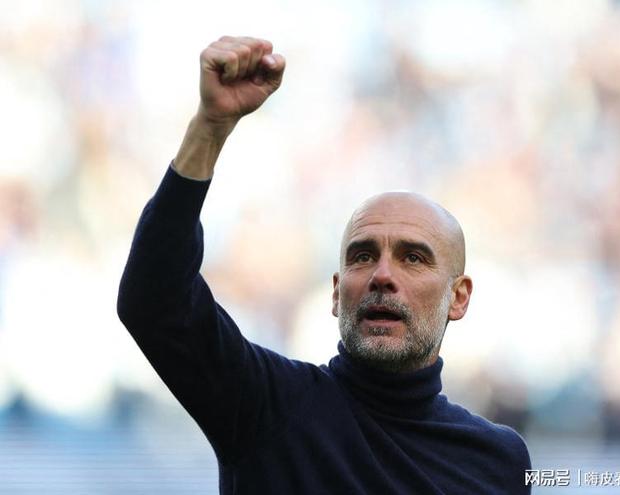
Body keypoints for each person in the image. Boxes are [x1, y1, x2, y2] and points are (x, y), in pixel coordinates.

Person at [117, 35, 532, 494]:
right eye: (362, 256)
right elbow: (154, 303)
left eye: (413, 258)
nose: (382, 276)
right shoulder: (267, 406)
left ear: (459, 296)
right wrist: (210, 128)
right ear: (336, 292)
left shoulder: (498, 460)